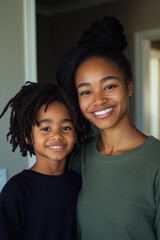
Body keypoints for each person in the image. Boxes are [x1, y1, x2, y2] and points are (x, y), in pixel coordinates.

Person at [57, 17, 160, 240]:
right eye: (86, 92)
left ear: (129, 86)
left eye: (110, 86)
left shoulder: (156, 161)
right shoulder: (78, 156)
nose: (99, 100)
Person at [0, 81, 89, 240]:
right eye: (45, 128)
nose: (57, 135)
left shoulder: (80, 183)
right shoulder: (15, 191)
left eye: (66, 127)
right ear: (28, 136)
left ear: (76, 135)